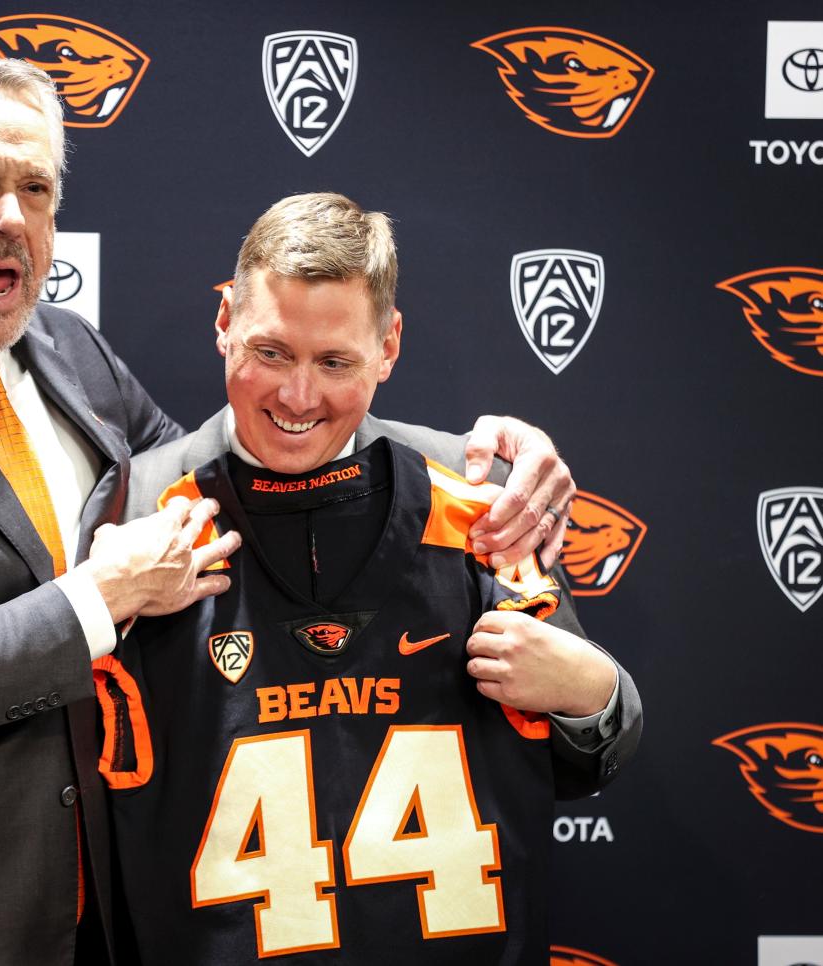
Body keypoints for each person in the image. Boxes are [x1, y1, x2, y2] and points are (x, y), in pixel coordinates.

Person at [0, 56, 580, 966]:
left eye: (35, 188)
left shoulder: (66, 352)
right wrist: (99, 598)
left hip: (101, 913)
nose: (9, 219)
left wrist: (485, 454)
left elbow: (253, 464)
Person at [99, 192, 642, 963]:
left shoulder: (474, 499)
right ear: (224, 324)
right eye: (271, 353)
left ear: (388, 346)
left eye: (335, 362)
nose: (298, 396)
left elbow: (594, 756)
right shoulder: (135, 510)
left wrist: (592, 689)